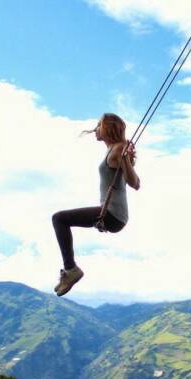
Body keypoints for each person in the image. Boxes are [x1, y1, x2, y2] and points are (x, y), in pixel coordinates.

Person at [51, 113, 140, 297]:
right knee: (60, 219)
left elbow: (135, 184)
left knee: (59, 219)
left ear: (108, 128)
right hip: (114, 215)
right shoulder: (115, 149)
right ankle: (71, 270)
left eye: (99, 125)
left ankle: (71, 270)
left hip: (112, 214)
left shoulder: (118, 149)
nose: (95, 130)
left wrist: (125, 160)